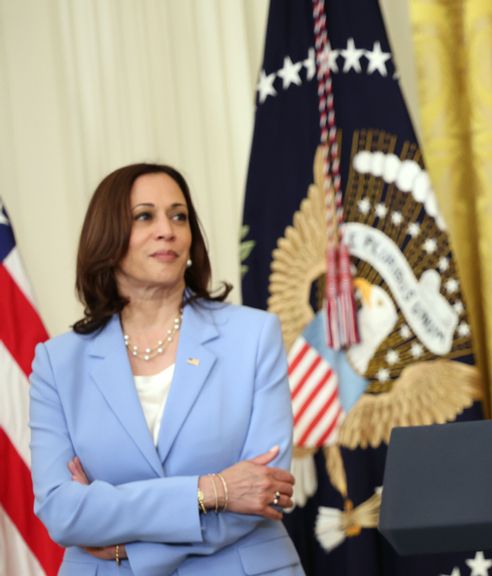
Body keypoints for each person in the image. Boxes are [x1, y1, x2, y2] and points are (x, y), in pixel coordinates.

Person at [29, 163, 303, 575]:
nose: (167, 229)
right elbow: (62, 511)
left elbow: (263, 492)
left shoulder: (254, 335)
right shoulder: (57, 362)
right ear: (107, 236)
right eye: (144, 216)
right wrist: (212, 490)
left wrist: (128, 545)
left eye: (179, 215)